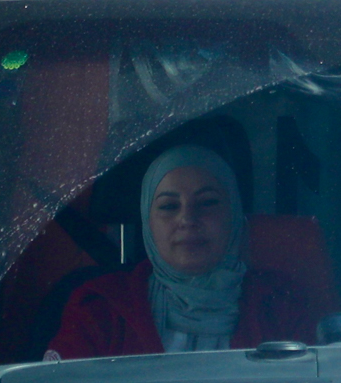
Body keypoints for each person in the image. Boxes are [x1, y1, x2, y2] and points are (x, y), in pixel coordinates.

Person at [48, 145, 312, 359]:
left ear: (233, 215)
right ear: (147, 222)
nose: (188, 219)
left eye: (208, 202)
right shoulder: (100, 307)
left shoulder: (281, 303)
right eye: (169, 206)